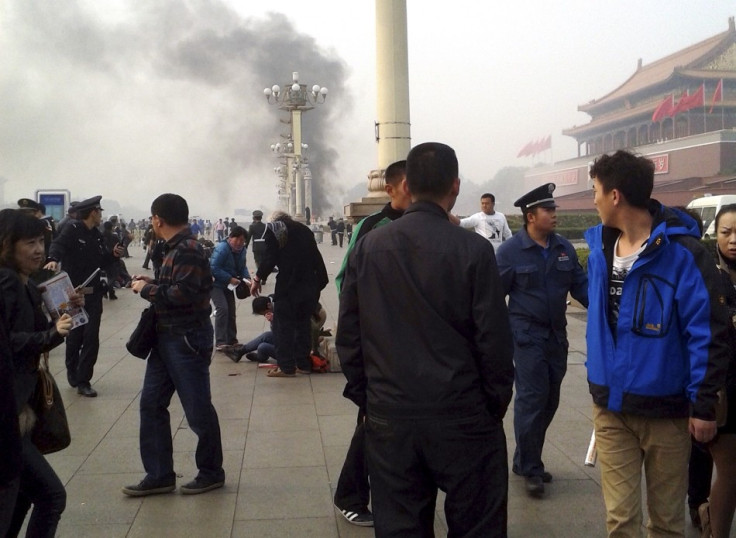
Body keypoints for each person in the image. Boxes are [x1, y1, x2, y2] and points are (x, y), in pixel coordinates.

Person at [336, 142, 515, 537]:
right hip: (464, 415)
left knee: (400, 526)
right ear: (455, 185)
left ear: (407, 185)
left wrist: (368, 398)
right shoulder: (474, 250)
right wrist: (493, 405)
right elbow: (495, 341)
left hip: (391, 416)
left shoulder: (370, 246)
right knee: (477, 525)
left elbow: (348, 335)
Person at [585, 150, 730, 537]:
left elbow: (708, 332)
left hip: (666, 411)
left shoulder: (683, 255)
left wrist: (703, 405)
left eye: (596, 190)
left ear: (615, 195)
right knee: (620, 521)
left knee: (665, 523)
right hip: (610, 409)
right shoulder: (599, 251)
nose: (593, 199)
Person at [124, 193, 225, 497]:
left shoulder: (188, 249)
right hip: (165, 336)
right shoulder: (174, 248)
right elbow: (177, 285)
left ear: (158, 219)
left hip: (185, 339)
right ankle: (159, 475)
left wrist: (146, 288)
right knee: (151, 404)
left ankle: (211, 472)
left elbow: (184, 294)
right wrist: (153, 281)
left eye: (152, 218)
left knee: (197, 409)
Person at [495, 183, 588, 497]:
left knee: (550, 400)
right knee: (532, 400)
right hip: (526, 336)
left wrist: (611, 308)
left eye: (554, 209)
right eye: (548, 210)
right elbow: (494, 296)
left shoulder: (563, 248)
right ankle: (532, 467)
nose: (554, 215)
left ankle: (523, 459)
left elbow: (581, 287)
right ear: (530, 216)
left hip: (556, 337)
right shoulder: (510, 252)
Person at [333, 159, 410, 526]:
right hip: (379, 345)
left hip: (415, 346)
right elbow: (345, 282)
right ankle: (351, 494)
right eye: (409, 185)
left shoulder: (437, 224)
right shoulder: (370, 226)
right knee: (371, 424)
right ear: (391, 188)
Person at [0, 209, 76, 537]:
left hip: (20, 406)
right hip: (8, 411)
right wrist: (51, 334)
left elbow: (33, 335)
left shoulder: (25, 282)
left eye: (41, 241)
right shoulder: (6, 281)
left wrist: (64, 313)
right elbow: (9, 341)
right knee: (50, 495)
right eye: (29, 242)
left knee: (22, 497)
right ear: (7, 245)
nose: (38, 250)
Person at [44, 195, 124, 397]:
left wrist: (113, 255)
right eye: (99, 212)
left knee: (91, 338)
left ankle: (84, 380)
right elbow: (58, 245)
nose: (101, 216)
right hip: (72, 294)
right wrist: (53, 259)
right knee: (75, 336)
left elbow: (101, 262)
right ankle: (72, 370)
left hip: (93, 295)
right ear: (93, 212)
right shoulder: (72, 229)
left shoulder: (97, 235)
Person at [249, 211, 328, 377]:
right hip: (308, 287)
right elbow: (317, 258)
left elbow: (270, 257)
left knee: (283, 328)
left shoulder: (274, 229)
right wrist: (319, 285)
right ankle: (303, 364)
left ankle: (286, 367)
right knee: (302, 326)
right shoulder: (304, 230)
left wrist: (257, 278)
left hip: (289, 287)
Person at [699, 203, 736, 538]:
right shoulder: (709, 278)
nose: (733, 240)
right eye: (726, 232)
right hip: (722, 391)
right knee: (730, 470)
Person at [210, 226, 250, 350]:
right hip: (215, 284)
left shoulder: (242, 250)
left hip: (229, 285)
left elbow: (242, 266)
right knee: (223, 309)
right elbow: (214, 268)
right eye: (237, 239)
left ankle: (232, 340)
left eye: (242, 240)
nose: (239, 242)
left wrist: (247, 278)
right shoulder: (222, 249)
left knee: (231, 312)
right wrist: (229, 278)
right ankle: (220, 342)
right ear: (231, 237)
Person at [222, 295, 276, 363]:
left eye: (264, 313)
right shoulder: (274, 304)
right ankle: (241, 351)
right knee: (265, 338)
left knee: (262, 346)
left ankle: (242, 352)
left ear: (269, 305)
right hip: (284, 341)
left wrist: (274, 321)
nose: (265, 316)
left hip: (290, 350)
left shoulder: (281, 310)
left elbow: (282, 332)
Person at [247, 210, 267, 280]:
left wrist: (245, 247)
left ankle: (260, 275)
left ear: (254, 218)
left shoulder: (252, 226)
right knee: (264, 261)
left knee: (257, 261)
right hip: (265, 246)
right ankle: (264, 277)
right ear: (261, 217)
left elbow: (248, 237)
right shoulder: (266, 226)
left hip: (256, 247)